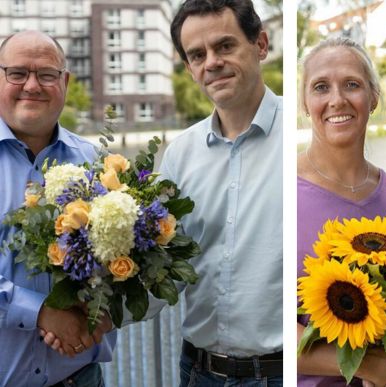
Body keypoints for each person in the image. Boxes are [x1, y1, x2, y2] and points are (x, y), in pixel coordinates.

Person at [129, 1, 282, 386]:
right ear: (189, 68)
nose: (211, 62)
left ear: (261, 44)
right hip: (198, 373)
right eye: (198, 55)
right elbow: (163, 270)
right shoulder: (179, 154)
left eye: (225, 46)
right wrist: (96, 311)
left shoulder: (300, 144)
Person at [297, 37, 386, 387]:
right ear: (305, 102)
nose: (337, 100)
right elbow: (264, 329)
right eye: (320, 87)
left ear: (373, 98)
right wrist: (369, 367)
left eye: (352, 85)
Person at [0, 31, 115, 386]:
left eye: (47, 74)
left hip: (81, 377)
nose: (32, 85)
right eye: (17, 73)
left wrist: (104, 311)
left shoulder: (99, 166)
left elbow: (128, 260)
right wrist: (39, 313)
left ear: (64, 81)